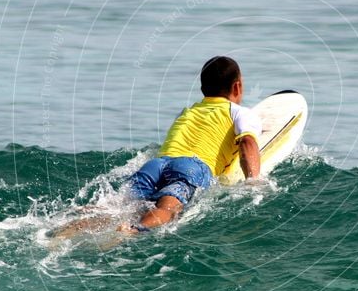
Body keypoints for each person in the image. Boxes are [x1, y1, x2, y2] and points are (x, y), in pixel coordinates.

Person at [51, 56, 261, 240]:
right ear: (237, 87)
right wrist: (254, 181)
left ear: (203, 89)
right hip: (193, 167)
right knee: (167, 208)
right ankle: (133, 230)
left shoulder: (187, 112)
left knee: (116, 208)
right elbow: (247, 143)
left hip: (158, 164)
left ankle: (63, 233)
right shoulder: (240, 112)